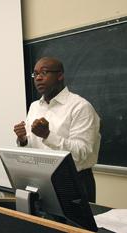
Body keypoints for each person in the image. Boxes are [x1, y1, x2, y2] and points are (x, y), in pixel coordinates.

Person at [13, 57, 101, 202]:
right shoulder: (35, 106)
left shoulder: (80, 107)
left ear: (60, 75)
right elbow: (34, 148)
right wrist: (23, 140)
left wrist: (48, 135)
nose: (38, 78)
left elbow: (82, 153)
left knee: (74, 225)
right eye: (35, 74)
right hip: (41, 182)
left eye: (44, 72)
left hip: (73, 182)